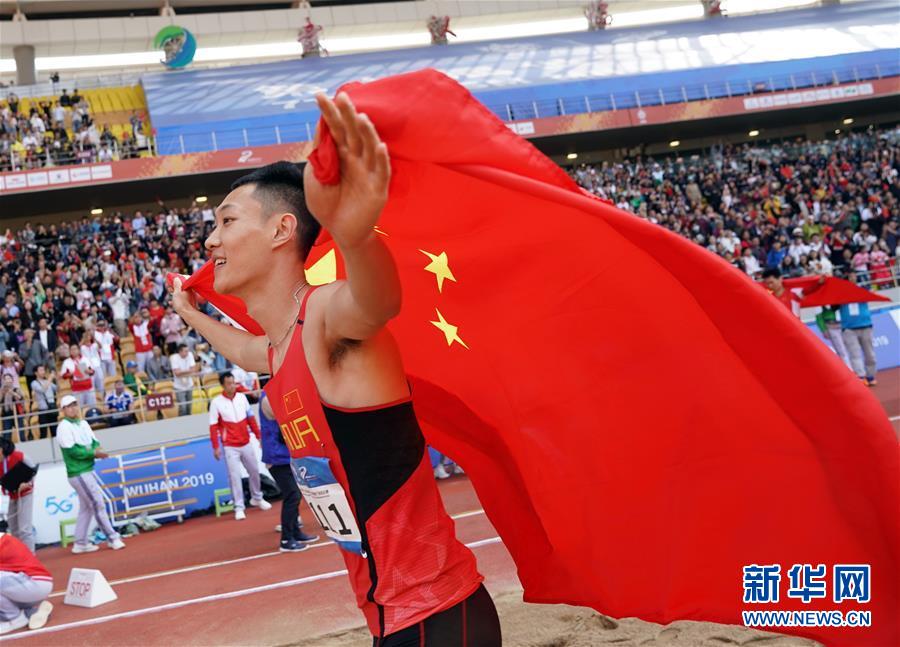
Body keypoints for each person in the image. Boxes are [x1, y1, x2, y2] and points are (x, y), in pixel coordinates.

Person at [172, 93, 497, 645]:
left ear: (281, 230)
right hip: (394, 616)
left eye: (226, 221)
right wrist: (189, 313)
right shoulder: (281, 348)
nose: (211, 239)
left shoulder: (324, 314)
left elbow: (377, 303)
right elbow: (248, 351)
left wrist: (354, 232)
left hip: (435, 613)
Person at [55, 395, 125, 553]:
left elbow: (95, 443)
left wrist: (94, 450)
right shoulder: (63, 427)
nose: (73, 408)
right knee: (97, 504)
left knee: (86, 508)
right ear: (63, 410)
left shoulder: (83, 423)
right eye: (69, 406)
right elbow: (73, 452)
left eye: (74, 404)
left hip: (86, 470)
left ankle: (80, 543)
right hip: (78, 472)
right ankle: (112, 537)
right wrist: (93, 452)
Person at [208, 372, 270, 521]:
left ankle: (257, 497)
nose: (232, 386)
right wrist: (216, 447)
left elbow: (251, 419)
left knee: (254, 470)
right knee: (235, 476)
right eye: (229, 384)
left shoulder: (242, 398)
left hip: (246, 442)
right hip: (230, 445)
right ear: (223, 385)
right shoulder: (216, 403)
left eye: (233, 383)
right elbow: (213, 427)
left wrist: (259, 437)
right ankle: (239, 506)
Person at [258, 393, 316, 550]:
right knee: (292, 495)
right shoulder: (267, 398)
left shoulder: (275, 396)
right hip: (276, 457)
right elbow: (284, 419)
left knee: (295, 495)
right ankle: (286, 539)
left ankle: (295, 532)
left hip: (285, 455)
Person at [0, 532, 53, 634]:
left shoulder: (3, 542)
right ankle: (30, 612)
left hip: (34, 584)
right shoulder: (4, 539)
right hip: (27, 587)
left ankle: (14, 619)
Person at [840, 271, 878, 386]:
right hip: (849, 328)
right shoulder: (840, 293)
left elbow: (873, 294)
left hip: (866, 326)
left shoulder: (863, 290)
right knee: (855, 354)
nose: (853, 278)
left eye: (854, 276)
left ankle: (870, 376)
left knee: (870, 354)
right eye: (850, 276)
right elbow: (832, 305)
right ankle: (860, 377)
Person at [0, 437, 37, 552]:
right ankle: (19, 556)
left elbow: (33, 470)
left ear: (1, 449)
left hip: (25, 494)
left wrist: (28, 483)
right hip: (11, 496)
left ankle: (31, 557)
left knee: (24, 529)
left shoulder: (19, 456)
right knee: (14, 529)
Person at [18, 329, 49, 399]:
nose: (28, 335)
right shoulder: (22, 346)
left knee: (44, 386)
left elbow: (46, 352)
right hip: (29, 371)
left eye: (29, 333)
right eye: (26, 333)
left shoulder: (38, 342)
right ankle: (32, 403)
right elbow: (23, 356)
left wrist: (43, 364)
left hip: (39, 370)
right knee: (31, 390)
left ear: (32, 334)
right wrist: (28, 346)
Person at [29, 366, 57, 439]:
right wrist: (50, 378)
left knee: (55, 430)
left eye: (44, 370)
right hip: (43, 410)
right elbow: (42, 390)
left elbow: (57, 389)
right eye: (41, 370)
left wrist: (56, 379)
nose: (43, 372)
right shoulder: (34, 383)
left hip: (52, 408)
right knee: (43, 432)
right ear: (36, 373)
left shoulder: (47, 381)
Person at [169, 344, 196, 416]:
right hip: (179, 387)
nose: (187, 352)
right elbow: (177, 373)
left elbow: (193, 369)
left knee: (189, 406)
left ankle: (189, 421)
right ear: (180, 352)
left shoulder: (190, 354)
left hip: (189, 385)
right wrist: (189, 371)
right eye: (185, 351)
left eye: (187, 351)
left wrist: (182, 372)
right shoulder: (174, 358)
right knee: (183, 407)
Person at [0, 375, 25, 441]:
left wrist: (12, 393)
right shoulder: (2, 391)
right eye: (6, 379)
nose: (8, 380)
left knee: (21, 434)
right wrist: (2, 393)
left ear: (12, 380)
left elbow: (21, 399)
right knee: (6, 436)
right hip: (6, 414)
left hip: (17, 414)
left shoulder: (17, 389)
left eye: (9, 378)